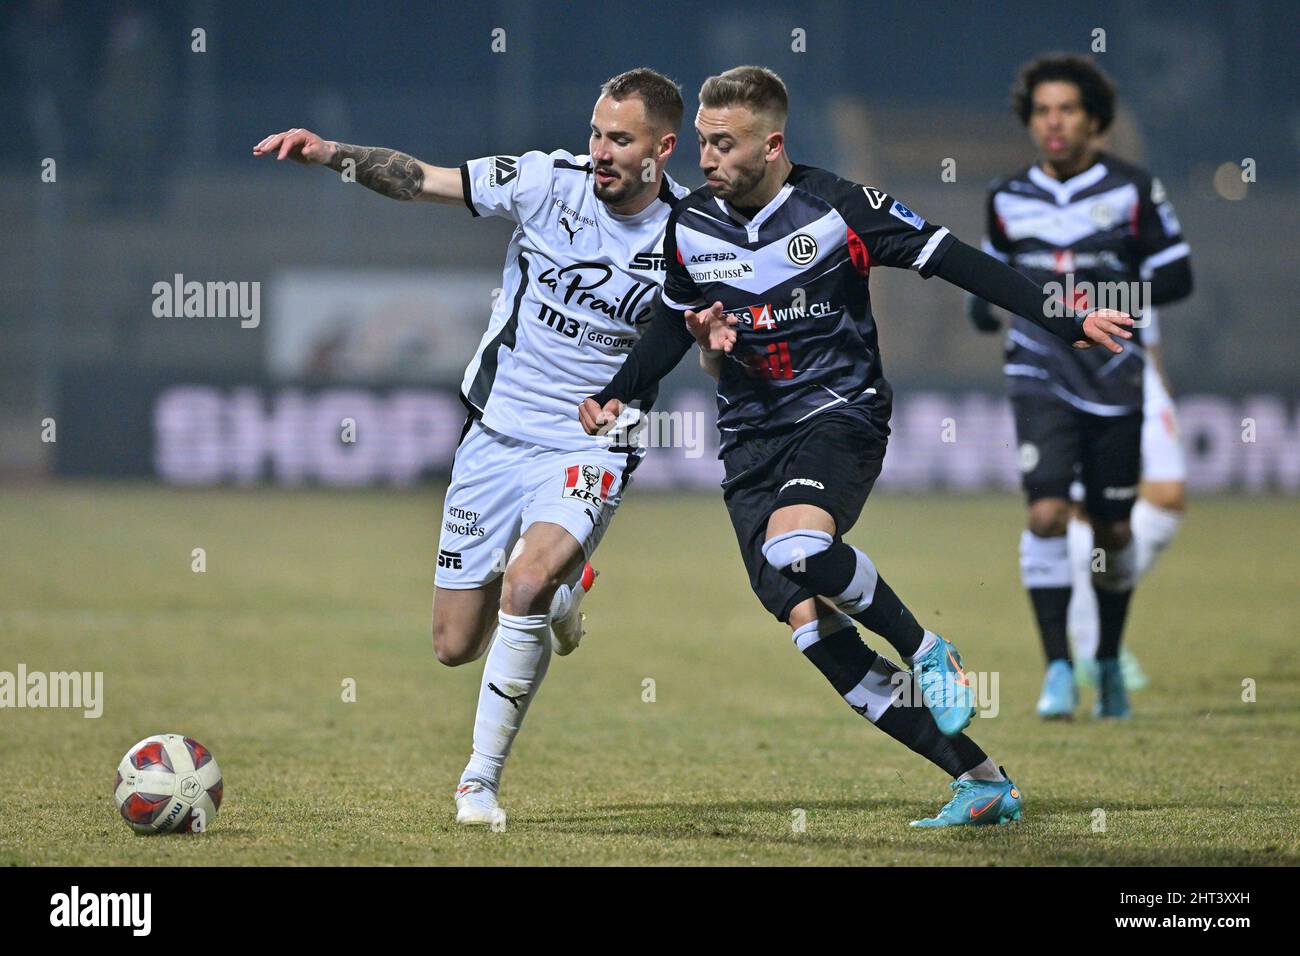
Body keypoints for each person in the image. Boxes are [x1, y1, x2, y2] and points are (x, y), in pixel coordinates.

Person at [581, 66, 1134, 827]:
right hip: (750, 444)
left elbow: (956, 260)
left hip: (840, 414)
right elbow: (672, 327)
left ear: (772, 144)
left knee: (796, 547)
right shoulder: (691, 226)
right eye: (702, 144)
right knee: (813, 627)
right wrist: (618, 392)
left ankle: (927, 647)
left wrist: (1066, 317)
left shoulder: (841, 209)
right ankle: (981, 780)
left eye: (724, 144)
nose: (706, 159)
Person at [254, 68, 690, 827]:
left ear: (663, 147)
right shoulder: (546, 181)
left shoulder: (693, 231)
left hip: (594, 442)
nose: (601, 151)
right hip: (495, 433)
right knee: (455, 645)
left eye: (620, 139)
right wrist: (329, 153)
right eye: (596, 132)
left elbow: (703, 331)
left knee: (521, 583)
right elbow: (419, 179)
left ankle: (477, 784)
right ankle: (566, 588)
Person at [967, 54, 1192, 719]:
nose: (1053, 122)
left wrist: (1094, 298)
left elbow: (1178, 279)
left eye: (1066, 109)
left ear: (1094, 119)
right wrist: (984, 308)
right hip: (1038, 366)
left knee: (1115, 531)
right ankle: (1058, 667)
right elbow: (992, 280)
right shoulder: (1007, 196)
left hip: (1115, 371)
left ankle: (1106, 662)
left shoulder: (1133, 189)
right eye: (1041, 111)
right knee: (1045, 512)